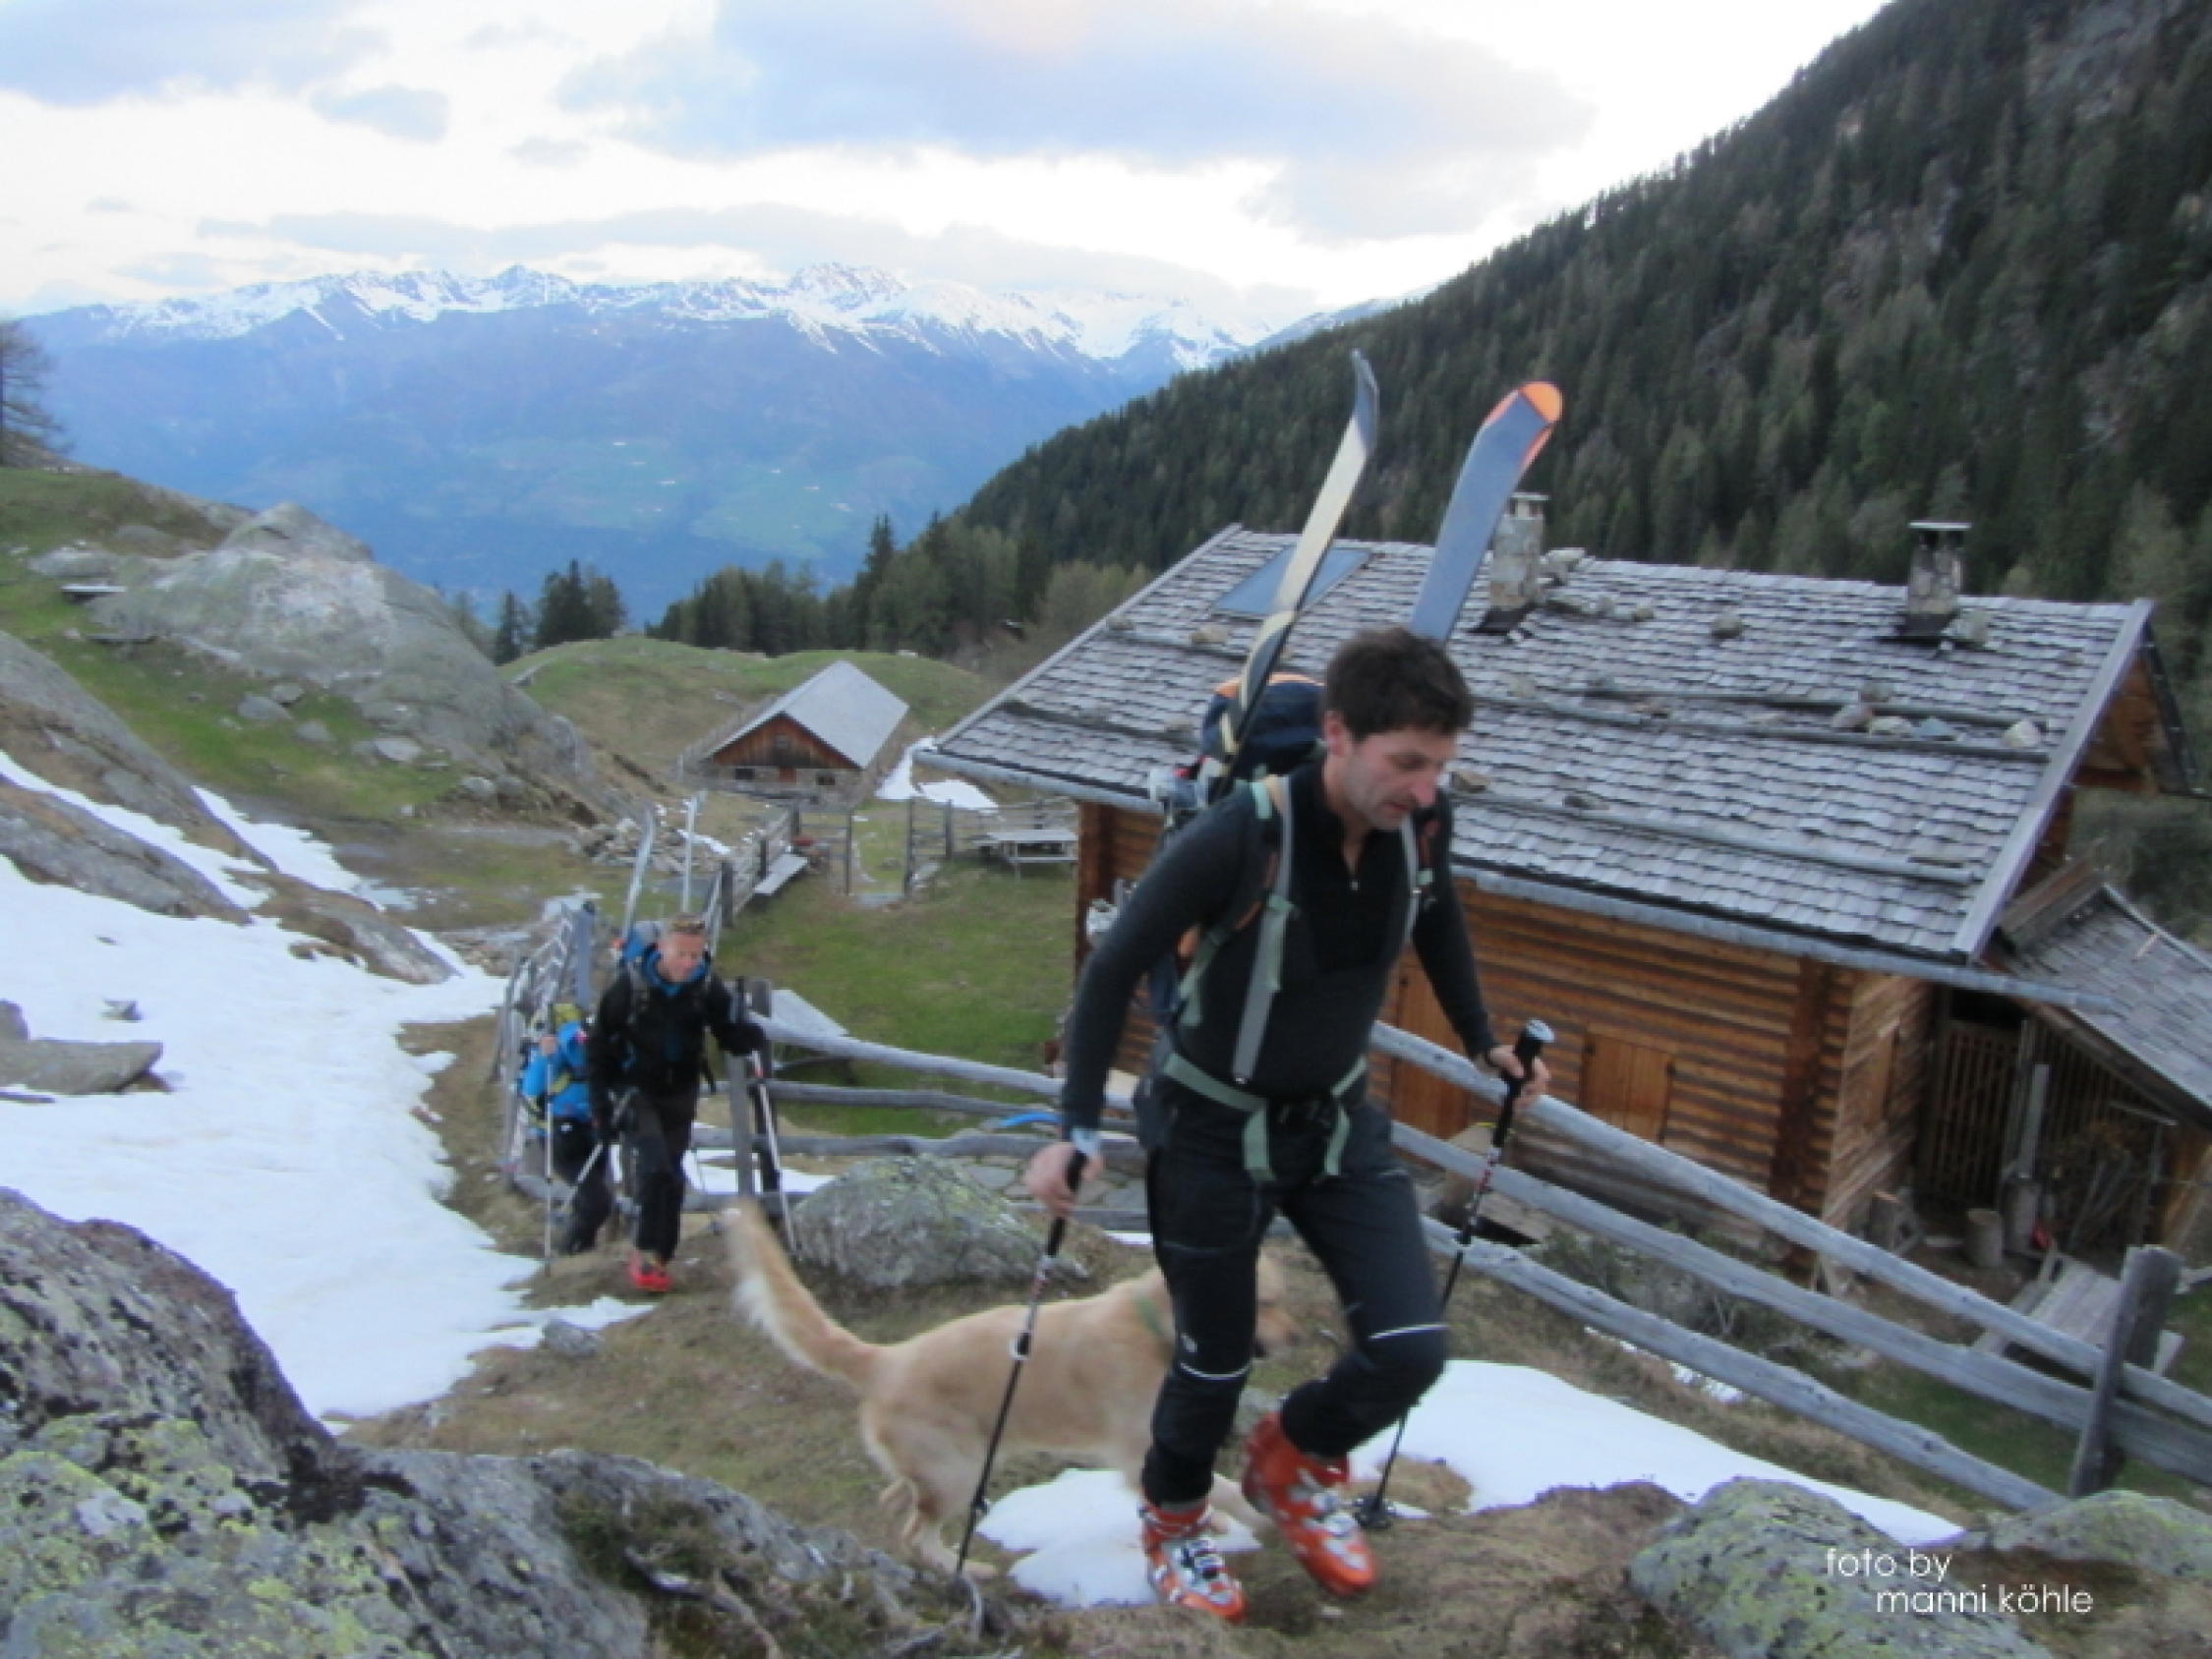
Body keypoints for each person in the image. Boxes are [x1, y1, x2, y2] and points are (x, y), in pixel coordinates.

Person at [1025, 625, 1548, 1621]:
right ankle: (1175, 1519)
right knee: (1215, 1358)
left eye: (1440, 766)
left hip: (1336, 1122)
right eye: (1407, 762)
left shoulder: (1421, 828)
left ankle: (1294, 1458)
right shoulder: (1242, 835)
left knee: (1411, 1346)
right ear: (1338, 734)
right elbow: (1112, 969)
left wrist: (1487, 1043)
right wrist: (1077, 1126)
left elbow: (1438, 916)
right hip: (1209, 1128)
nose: (1425, 788)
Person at [583, 914, 766, 1294]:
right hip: (637, 1089)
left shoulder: (706, 986)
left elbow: (725, 1032)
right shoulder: (630, 986)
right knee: (655, 1169)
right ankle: (645, 1252)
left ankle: (663, 1256)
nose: (688, 963)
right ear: (662, 948)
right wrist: (601, 1107)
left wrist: (746, 1037)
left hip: (681, 1091)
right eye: (681, 954)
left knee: (671, 1171)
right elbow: (598, 1046)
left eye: (695, 955)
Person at [521, 1002, 602, 1254]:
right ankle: (572, 1249)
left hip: (587, 1129)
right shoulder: (556, 1053)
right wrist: (545, 1057)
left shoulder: (573, 1048)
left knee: (591, 1198)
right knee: (596, 1199)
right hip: (559, 1133)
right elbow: (532, 1089)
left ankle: (579, 1250)